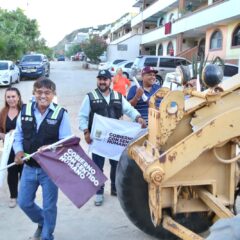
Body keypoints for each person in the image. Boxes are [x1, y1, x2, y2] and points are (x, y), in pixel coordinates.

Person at [13, 78, 72, 240]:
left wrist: (51, 148)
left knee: (49, 206)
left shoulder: (60, 114)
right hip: (29, 168)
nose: (43, 96)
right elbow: (18, 135)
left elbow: (66, 143)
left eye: (47, 92)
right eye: (39, 92)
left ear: (53, 95)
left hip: (50, 171)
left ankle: (47, 236)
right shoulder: (24, 111)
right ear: (34, 93)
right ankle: (43, 222)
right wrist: (18, 152)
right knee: (24, 203)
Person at [78, 69, 146, 207]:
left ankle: (115, 188)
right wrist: (85, 131)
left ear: (110, 81)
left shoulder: (118, 96)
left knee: (116, 164)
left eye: (105, 79)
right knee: (97, 166)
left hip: (115, 138)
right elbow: (82, 116)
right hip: (98, 139)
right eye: (100, 79)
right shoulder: (90, 96)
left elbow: (129, 109)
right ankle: (98, 192)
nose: (102, 82)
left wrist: (138, 117)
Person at [0, 87, 23, 208]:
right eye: (8, 97)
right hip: (9, 150)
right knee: (12, 173)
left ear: (18, 97)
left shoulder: (25, 110)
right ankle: (13, 197)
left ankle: (26, 197)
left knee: (25, 174)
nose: (11, 99)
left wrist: (17, 133)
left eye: (13, 96)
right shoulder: (3, 112)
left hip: (24, 149)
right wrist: (4, 135)